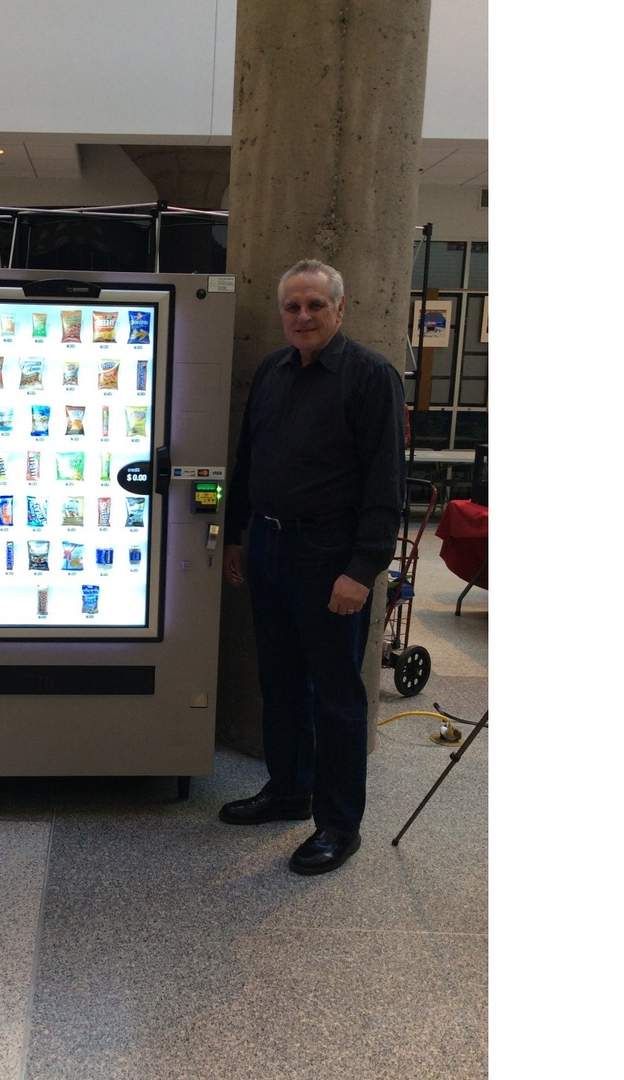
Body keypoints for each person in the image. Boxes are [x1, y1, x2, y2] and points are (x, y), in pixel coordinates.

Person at [219, 259, 407, 875]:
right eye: (292, 307)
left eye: (315, 306)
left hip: (332, 559)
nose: (302, 316)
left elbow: (386, 486)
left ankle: (338, 824)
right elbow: (251, 459)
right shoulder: (273, 371)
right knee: (279, 681)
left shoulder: (370, 378)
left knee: (335, 696)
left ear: (341, 309)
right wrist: (241, 536)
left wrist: (363, 569)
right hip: (271, 549)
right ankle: (288, 789)